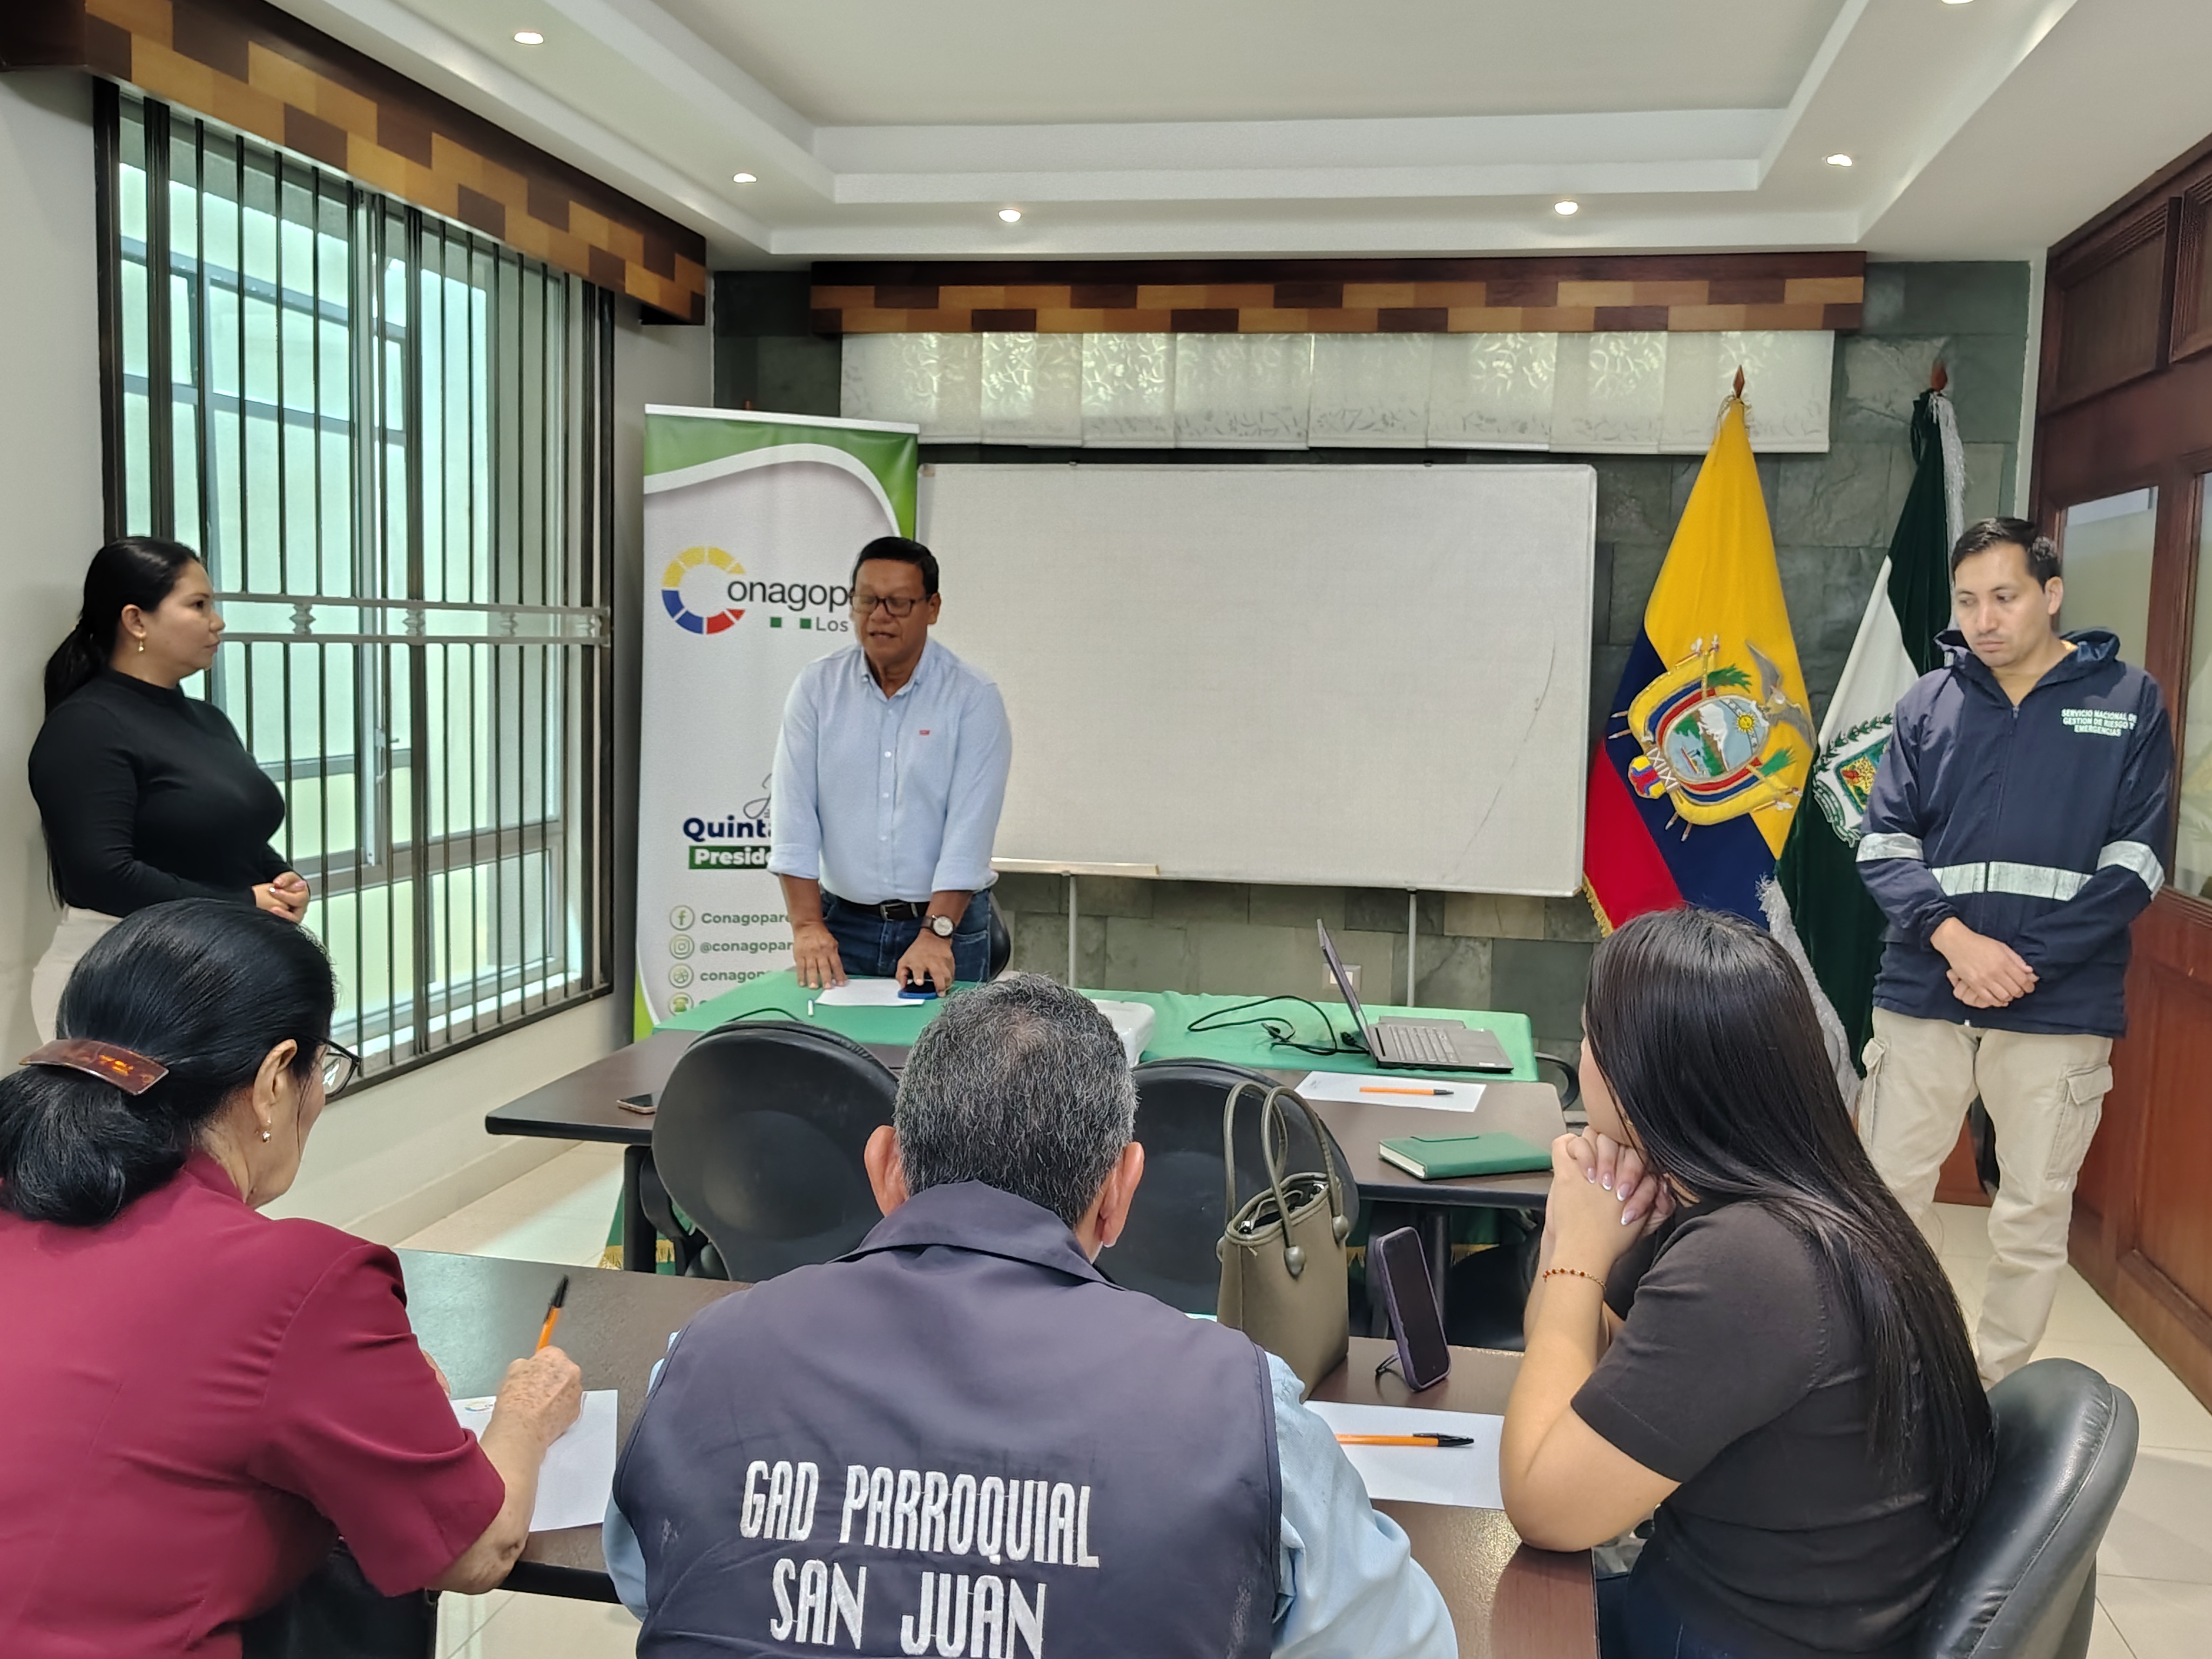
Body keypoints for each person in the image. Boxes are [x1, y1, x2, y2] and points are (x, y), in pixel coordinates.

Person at [605, 973, 1453, 1659]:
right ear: (1120, 1193)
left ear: (887, 1169)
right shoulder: (1241, 1408)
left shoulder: (700, 1363)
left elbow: (653, 1583)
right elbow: (1405, 1642)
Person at [0, 900, 582, 1657]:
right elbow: (475, 1550)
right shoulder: (297, 1279)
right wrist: (527, 1417)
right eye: (323, 1068)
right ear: (276, 1078)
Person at [1501, 907, 1993, 1659]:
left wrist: (1577, 1255)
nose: (1582, 1058)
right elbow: (1580, 1357)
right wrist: (1580, 1242)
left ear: (1644, 1078)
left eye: (1590, 1038)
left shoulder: (1751, 1263)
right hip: (1739, 1619)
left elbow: (1545, 1506)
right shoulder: (1793, 1204)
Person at [1856, 517, 2172, 1383]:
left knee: (2031, 1213)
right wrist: (1959, 943)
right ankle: (1898, 1379)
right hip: (1925, 988)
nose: (1983, 620)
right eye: (1968, 601)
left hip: (2059, 1001)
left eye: (2004, 597)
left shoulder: (2127, 701)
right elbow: (1883, 845)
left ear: (2051, 594)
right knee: (1886, 1199)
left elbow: (2138, 864)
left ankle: (1992, 1398)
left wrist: (2020, 962)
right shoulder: (1928, 702)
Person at [27, 538, 312, 1041]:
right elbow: (101, 875)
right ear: (136, 620)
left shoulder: (208, 719)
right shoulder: (87, 726)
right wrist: (241, 902)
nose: (217, 622)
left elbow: (231, 832)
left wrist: (279, 880)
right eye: (198, 605)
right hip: (116, 981)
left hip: (215, 965)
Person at [769, 535, 1011, 993]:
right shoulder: (818, 688)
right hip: (844, 925)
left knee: (949, 1044)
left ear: (932, 608)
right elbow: (793, 815)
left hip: (947, 928)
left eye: (898, 603)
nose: (879, 616)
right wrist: (807, 926)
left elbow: (969, 834)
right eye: (867, 600)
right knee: (835, 1042)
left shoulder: (972, 698)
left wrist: (936, 934)